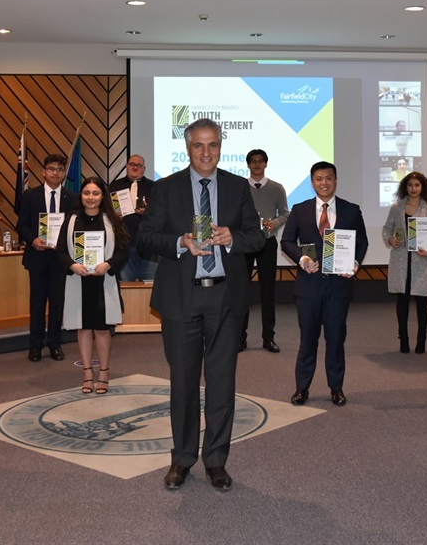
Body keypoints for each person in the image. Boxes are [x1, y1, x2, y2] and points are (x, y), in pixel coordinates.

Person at [136, 118, 263, 492]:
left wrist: (232, 237)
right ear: (187, 148)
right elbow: (145, 238)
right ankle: (183, 458)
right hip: (181, 298)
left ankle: (217, 460)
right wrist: (179, 242)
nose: (206, 153)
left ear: (221, 147)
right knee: (184, 383)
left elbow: (256, 237)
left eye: (213, 145)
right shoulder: (166, 188)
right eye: (198, 146)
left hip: (225, 298)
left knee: (222, 384)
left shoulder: (238, 187)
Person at [280, 161, 369, 408]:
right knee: (307, 340)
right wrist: (302, 258)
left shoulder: (351, 210)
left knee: (336, 339)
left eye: (329, 178)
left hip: (339, 288)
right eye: (319, 179)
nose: (324, 183)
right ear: (312, 182)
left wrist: (355, 262)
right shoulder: (300, 209)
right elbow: (287, 241)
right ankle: (302, 388)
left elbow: (362, 241)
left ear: (336, 180)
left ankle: (336, 388)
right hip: (308, 288)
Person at [57, 176, 129, 394]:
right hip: (79, 281)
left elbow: (123, 250)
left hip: (103, 282)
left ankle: (104, 373)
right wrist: (72, 265)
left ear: (102, 196)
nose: (90, 198)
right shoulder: (71, 220)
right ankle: (88, 373)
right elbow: (60, 250)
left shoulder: (113, 220)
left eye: (95, 193)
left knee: (102, 329)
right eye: (86, 193)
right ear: (81, 195)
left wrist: (108, 264)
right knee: (83, 327)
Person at [17, 153, 75, 362]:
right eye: (51, 169)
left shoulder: (72, 198)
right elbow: (21, 225)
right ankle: (35, 346)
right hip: (37, 256)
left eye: (60, 169)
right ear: (43, 172)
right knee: (37, 303)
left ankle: (55, 344)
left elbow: (74, 227)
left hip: (60, 259)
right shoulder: (30, 196)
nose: (55, 173)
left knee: (57, 303)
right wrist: (33, 240)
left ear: (64, 173)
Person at [382, 172, 427, 354]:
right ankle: (403, 338)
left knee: (423, 303)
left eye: (417, 185)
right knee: (402, 301)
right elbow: (387, 229)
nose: (413, 189)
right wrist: (390, 239)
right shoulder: (396, 207)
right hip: (400, 260)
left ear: (422, 187)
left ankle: (422, 338)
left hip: (422, 262)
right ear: (405, 187)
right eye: (410, 185)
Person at [241, 148, 288, 353]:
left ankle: (268, 338)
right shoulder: (240, 187)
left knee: (267, 292)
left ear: (266, 164)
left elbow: (285, 213)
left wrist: (274, 223)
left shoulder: (277, 188)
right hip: (245, 243)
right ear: (248, 164)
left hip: (267, 243)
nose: (257, 164)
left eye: (260, 161)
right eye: (253, 161)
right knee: (241, 292)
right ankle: (240, 338)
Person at [108, 154, 157, 281]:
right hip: (123, 247)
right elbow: (105, 213)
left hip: (148, 247)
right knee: (125, 288)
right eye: (132, 164)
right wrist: (113, 214)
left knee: (150, 288)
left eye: (139, 165)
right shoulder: (114, 187)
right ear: (126, 167)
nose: (135, 167)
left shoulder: (155, 187)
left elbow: (162, 214)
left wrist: (148, 212)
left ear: (144, 169)